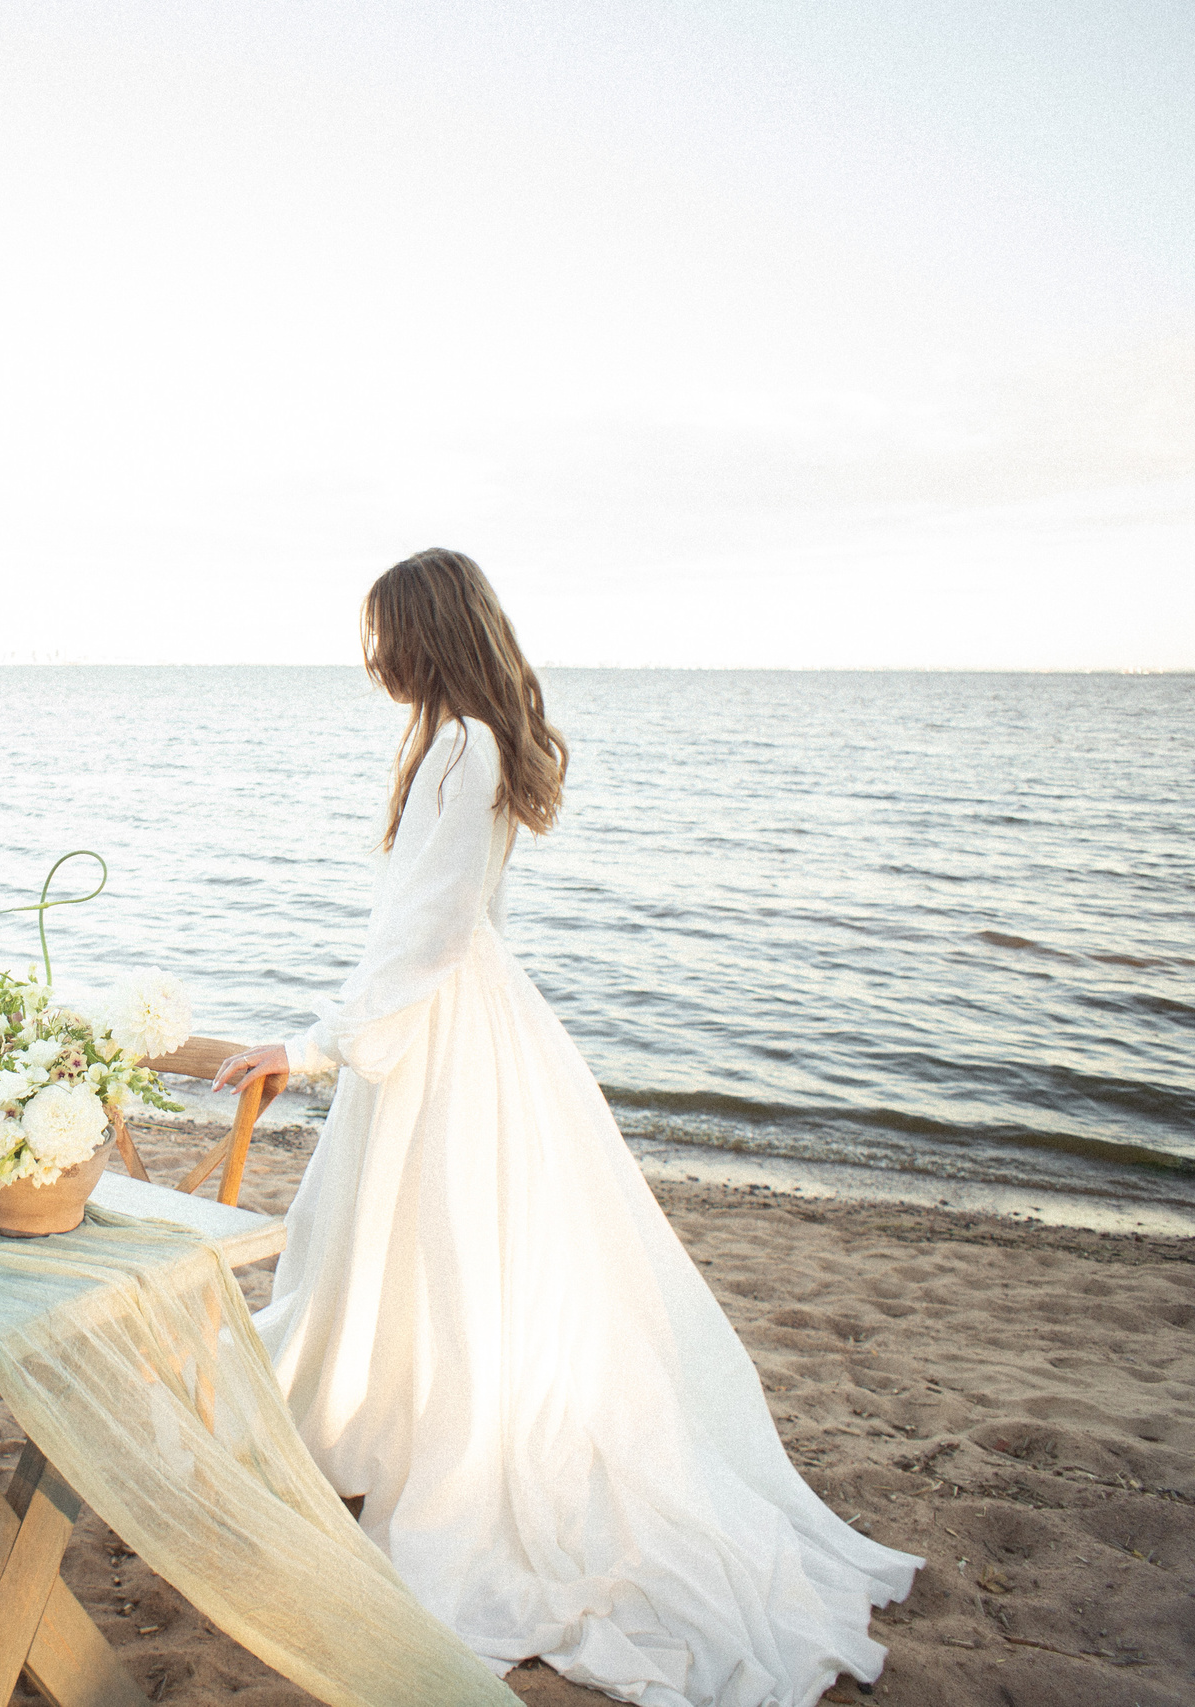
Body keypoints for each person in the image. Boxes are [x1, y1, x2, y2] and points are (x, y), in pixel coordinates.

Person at [211, 549, 920, 1707]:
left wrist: (310, 1043)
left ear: (426, 634)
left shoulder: (462, 746)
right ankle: (377, 1429)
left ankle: (421, 1450)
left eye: (385, 634)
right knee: (409, 1251)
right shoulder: (459, 739)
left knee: (441, 1251)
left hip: (446, 1032)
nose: (375, 658)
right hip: (455, 1024)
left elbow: (431, 934)